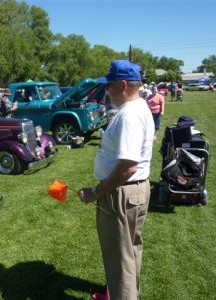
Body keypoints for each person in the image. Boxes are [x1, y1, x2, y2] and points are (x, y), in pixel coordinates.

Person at [77, 60, 154, 300]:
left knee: (119, 258)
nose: (106, 91)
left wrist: (96, 192)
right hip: (135, 192)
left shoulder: (129, 115)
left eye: (109, 86)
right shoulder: (140, 107)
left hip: (121, 194)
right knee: (130, 252)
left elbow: (128, 167)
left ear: (122, 85)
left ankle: (122, 294)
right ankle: (118, 293)